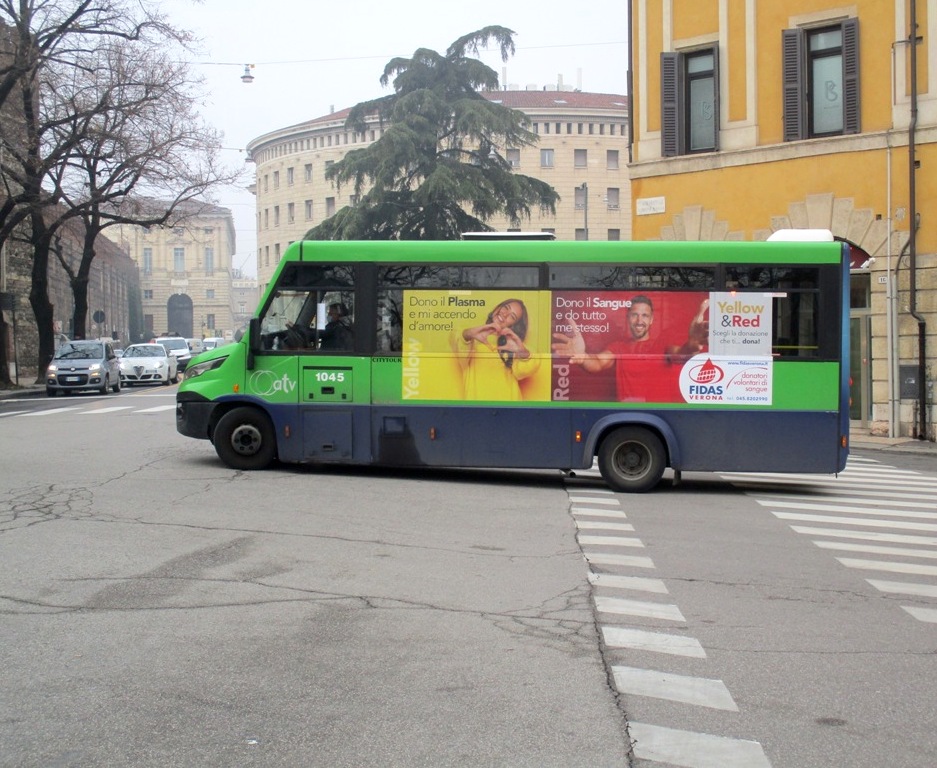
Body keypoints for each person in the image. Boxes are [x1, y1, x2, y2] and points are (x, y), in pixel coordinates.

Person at [551, 295, 709, 402]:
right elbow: (598, 362)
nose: (639, 320)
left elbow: (681, 354)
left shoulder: (662, 346)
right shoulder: (618, 347)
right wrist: (583, 356)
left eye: (645, 316)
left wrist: (692, 345)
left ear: (652, 319)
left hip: (657, 416)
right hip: (628, 416)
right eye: (635, 315)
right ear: (627, 317)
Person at [451, 298, 540, 400]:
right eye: (506, 308)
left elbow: (526, 369)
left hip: (508, 409)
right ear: (498, 308)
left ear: (513, 325)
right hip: (477, 409)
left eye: (512, 316)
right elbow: (457, 342)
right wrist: (469, 333)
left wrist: (522, 352)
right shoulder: (471, 340)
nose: (505, 314)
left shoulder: (513, 346)